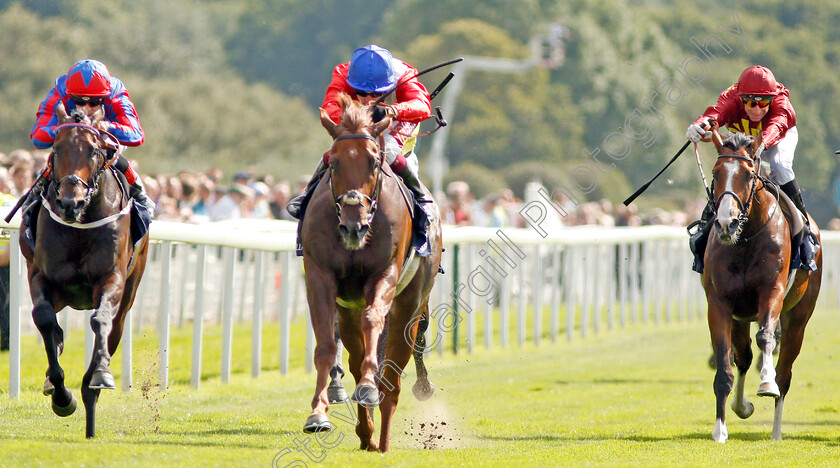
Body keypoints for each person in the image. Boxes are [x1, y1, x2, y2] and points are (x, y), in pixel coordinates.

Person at [286, 44, 435, 257]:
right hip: (359, 123)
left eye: (376, 93)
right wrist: (360, 118)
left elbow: (422, 106)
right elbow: (330, 108)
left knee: (389, 150)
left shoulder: (404, 74)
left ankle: (422, 201)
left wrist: (392, 109)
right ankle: (307, 196)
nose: (367, 99)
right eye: (360, 93)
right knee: (343, 151)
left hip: (397, 119)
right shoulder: (342, 73)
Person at [685, 65, 818, 272]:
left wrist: (761, 144)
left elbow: (777, 125)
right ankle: (706, 228)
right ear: (741, 98)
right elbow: (716, 114)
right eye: (750, 103)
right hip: (742, 139)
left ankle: (804, 232)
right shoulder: (731, 97)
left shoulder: (781, 103)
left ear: (772, 100)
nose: (757, 109)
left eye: (764, 103)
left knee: (779, 166)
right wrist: (699, 125)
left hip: (776, 138)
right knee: (728, 169)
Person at [24, 59, 155, 226]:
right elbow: (38, 137)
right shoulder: (59, 91)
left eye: (94, 102)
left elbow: (136, 135)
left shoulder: (115, 92)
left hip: (104, 141)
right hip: (70, 140)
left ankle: (140, 194)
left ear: (104, 96)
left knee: (110, 153)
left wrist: (105, 126)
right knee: (62, 152)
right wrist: (64, 128)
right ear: (70, 94)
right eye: (79, 100)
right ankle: (34, 195)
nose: (86, 107)